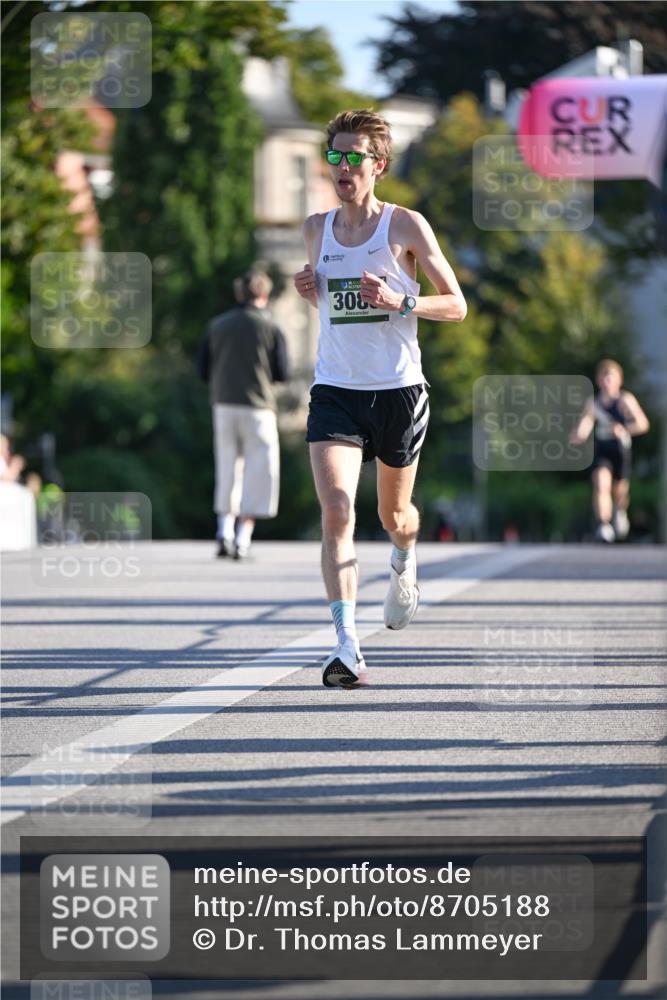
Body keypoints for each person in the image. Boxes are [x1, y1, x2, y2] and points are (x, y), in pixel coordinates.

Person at [293, 108, 467, 688]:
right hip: (336, 391)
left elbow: (458, 305)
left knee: (397, 516)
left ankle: (403, 560)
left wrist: (403, 301)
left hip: (398, 390)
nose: (343, 168)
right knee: (338, 510)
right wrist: (308, 292)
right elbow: (335, 312)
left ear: (379, 166)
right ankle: (347, 647)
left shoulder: (405, 226)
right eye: (335, 157)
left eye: (354, 158)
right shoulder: (315, 229)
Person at [198, 268, 289, 560]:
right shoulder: (271, 327)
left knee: (227, 467)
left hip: (223, 404)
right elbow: (282, 372)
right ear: (264, 294)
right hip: (259, 407)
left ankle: (223, 531)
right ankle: (243, 538)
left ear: (239, 293)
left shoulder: (217, 325)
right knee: (258, 471)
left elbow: (203, 369)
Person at [569, 359, 649, 542]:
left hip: (621, 450)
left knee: (619, 491)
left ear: (619, 380)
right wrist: (578, 436)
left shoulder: (625, 400)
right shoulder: (594, 403)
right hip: (602, 451)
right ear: (598, 380)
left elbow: (643, 424)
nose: (607, 381)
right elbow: (586, 425)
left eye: (611, 376)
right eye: (604, 376)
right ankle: (603, 525)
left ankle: (620, 512)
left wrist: (624, 428)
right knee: (600, 484)